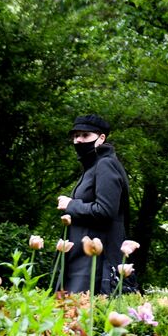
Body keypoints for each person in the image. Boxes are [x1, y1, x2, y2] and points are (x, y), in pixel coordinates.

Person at [57, 113, 130, 294]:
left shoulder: (106, 165)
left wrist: (71, 205)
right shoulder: (92, 167)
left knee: (79, 318)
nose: (78, 141)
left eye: (85, 135)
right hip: (81, 259)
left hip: (93, 264)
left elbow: (105, 210)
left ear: (101, 138)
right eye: (75, 136)